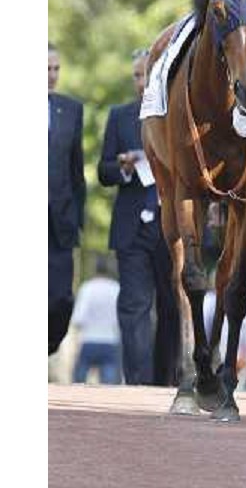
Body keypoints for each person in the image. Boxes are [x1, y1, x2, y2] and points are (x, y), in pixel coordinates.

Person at [97, 48, 179, 386]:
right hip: (131, 229)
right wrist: (123, 167)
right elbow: (103, 170)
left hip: (170, 226)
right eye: (136, 75)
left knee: (171, 308)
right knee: (134, 308)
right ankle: (138, 385)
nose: (141, 82)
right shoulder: (118, 116)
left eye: (147, 74)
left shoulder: (178, 115)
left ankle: (165, 381)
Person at [48, 42, 86, 356]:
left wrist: (79, 218)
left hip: (60, 221)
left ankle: (49, 342)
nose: (52, 75)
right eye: (46, 69)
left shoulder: (71, 109)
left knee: (61, 298)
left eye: (56, 68)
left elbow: (77, 171)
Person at [71, 255, 122, 384]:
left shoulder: (87, 287)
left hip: (89, 340)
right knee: (109, 388)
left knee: (78, 384)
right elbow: (120, 320)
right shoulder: (116, 288)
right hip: (110, 341)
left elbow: (78, 318)